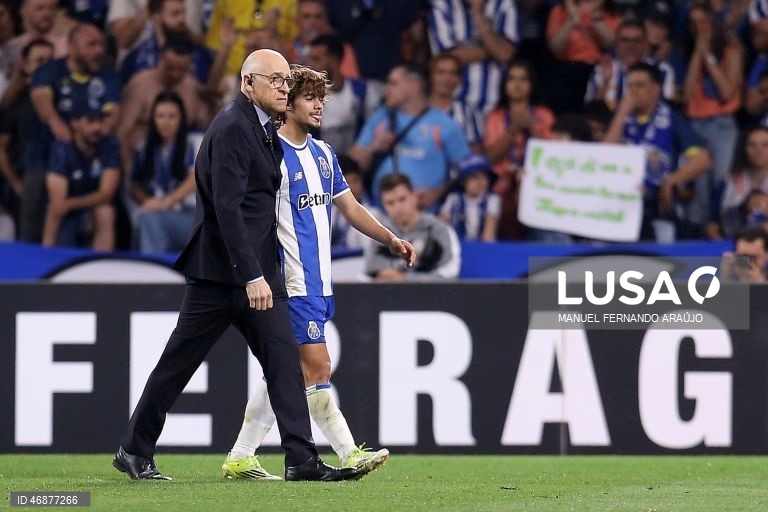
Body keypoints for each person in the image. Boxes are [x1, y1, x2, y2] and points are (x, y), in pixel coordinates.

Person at [113, 49, 362, 482]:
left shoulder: (262, 128)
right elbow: (226, 209)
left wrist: (262, 273)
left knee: (285, 361)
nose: (284, 88)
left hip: (258, 274)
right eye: (276, 80)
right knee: (178, 364)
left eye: (287, 81)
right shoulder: (232, 127)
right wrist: (251, 275)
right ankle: (134, 450)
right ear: (248, 83)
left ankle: (301, 460)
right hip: (221, 275)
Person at [221, 65, 415, 480]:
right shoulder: (269, 153)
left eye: (321, 99)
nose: (318, 106)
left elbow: (351, 208)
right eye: (309, 98)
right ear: (287, 104)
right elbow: (247, 214)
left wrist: (390, 238)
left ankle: (241, 454)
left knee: (287, 370)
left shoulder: (324, 155)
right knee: (318, 368)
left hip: (321, 282)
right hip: (290, 281)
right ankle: (349, 452)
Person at [603, 62, 711, 242]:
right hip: (619, 210)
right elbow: (603, 157)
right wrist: (621, 114)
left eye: (640, 85)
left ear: (655, 89)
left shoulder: (672, 120)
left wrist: (672, 180)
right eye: (629, 85)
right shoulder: (620, 120)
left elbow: (703, 159)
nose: (633, 91)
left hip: (656, 209)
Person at [349, 64, 471, 211]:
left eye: (393, 83)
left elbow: (466, 169)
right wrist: (372, 147)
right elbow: (351, 166)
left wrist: (439, 192)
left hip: (426, 215)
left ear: (414, 87)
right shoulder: (380, 118)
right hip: (381, 215)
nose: (387, 89)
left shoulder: (445, 124)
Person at [42, 105, 120, 249]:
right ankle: (46, 257)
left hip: (89, 208)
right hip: (67, 215)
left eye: (100, 121)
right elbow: (58, 201)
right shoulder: (62, 149)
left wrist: (71, 203)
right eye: (91, 121)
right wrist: (68, 205)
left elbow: (106, 194)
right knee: (54, 209)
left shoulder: (109, 144)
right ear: (75, 123)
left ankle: (101, 265)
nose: (97, 127)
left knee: (105, 211)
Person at [129, 91, 199, 254]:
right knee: (145, 219)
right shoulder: (144, 147)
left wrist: (166, 202)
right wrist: (148, 202)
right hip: (159, 213)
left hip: (192, 215)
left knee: (149, 220)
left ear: (181, 119)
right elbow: (134, 185)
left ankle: (153, 274)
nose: (165, 122)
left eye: (171, 116)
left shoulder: (196, 142)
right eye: (160, 116)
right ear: (153, 119)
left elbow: (197, 175)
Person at [365, 173, 460, 282]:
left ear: (414, 197)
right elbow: (368, 272)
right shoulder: (379, 233)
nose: (398, 207)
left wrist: (405, 279)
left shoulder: (440, 230)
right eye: (390, 203)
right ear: (383, 205)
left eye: (402, 199)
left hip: (432, 297)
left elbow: (449, 277)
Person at [439, 154, 500, 242]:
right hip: (456, 246)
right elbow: (441, 223)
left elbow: (489, 234)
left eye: (484, 176)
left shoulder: (492, 200)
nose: (480, 182)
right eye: (474, 177)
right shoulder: (454, 199)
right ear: (463, 181)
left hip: (482, 248)